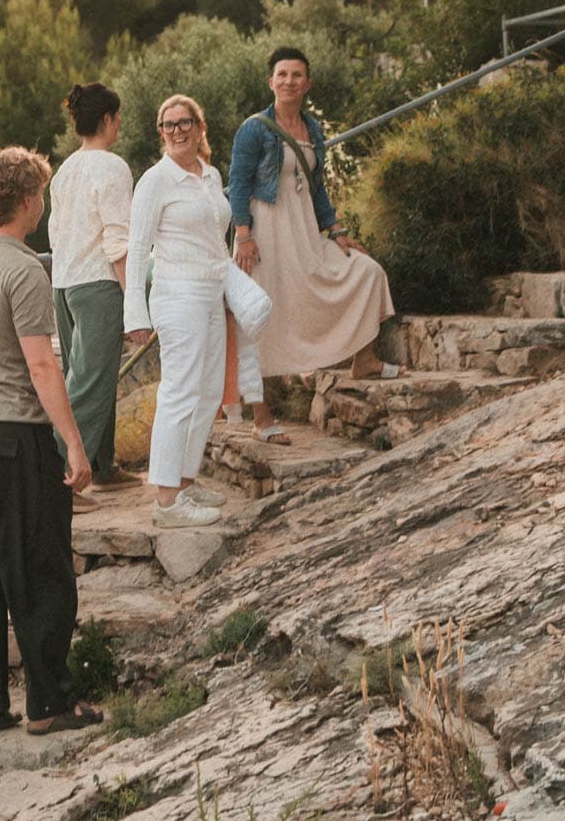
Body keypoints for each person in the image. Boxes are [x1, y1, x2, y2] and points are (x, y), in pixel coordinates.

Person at [0, 146, 102, 738]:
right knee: (40, 568)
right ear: (27, 199)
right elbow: (42, 367)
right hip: (15, 433)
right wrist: (75, 445)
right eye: (41, 195)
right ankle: (50, 703)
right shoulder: (25, 268)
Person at [228, 46, 399, 435]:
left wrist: (336, 231)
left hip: (304, 231)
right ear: (271, 81)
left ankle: (365, 359)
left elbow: (317, 188)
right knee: (260, 316)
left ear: (308, 83)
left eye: (297, 75)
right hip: (265, 233)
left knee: (366, 271)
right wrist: (243, 236)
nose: (289, 81)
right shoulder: (254, 128)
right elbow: (237, 184)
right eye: (282, 74)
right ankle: (260, 415)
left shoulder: (313, 129)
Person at [123, 95, 240, 527]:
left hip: (212, 293)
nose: (176, 130)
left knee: (209, 392)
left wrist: (230, 287)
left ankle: (186, 482)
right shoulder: (155, 181)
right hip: (177, 295)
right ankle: (167, 503)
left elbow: (215, 238)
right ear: (161, 132)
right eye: (168, 125)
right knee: (179, 392)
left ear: (199, 126)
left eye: (184, 122)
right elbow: (136, 250)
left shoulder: (210, 175)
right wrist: (134, 313)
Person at [48, 82, 137, 489]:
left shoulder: (64, 170)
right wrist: (134, 300)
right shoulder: (112, 166)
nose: (119, 126)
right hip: (98, 284)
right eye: (117, 118)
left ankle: (101, 467)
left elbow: (55, 234)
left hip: (64, 285)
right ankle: (56, 480)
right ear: (107, 119)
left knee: (89, 378)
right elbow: (118, 239)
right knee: (86, 386)